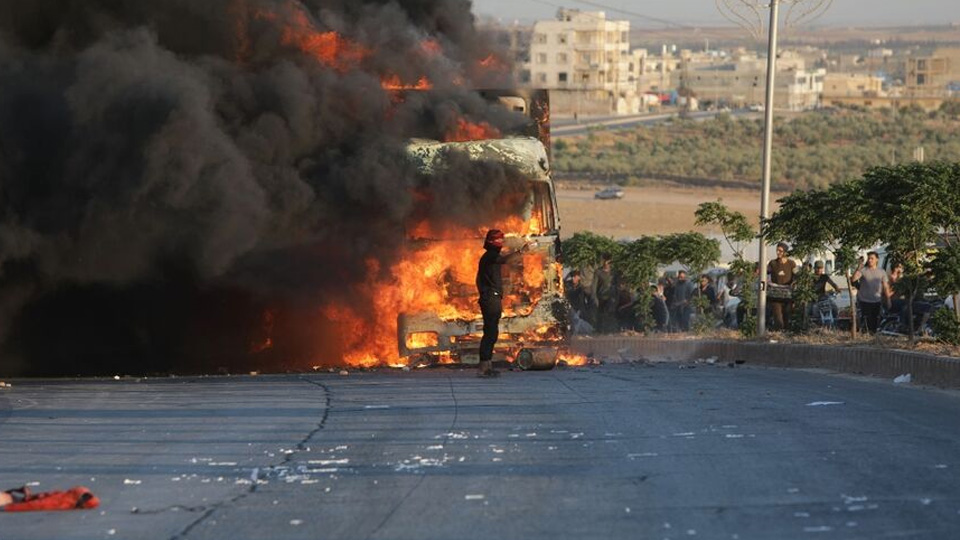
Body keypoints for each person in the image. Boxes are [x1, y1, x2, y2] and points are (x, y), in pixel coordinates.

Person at [476, 229, 528, 377]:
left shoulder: (488, 256)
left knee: (491, 332)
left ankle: (487, 366)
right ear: (495, 242)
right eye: (500, 240)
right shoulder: (490, 256)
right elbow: (505, 260)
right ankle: (483, 368)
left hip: (492, 298)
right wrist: (521, 252)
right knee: (490, 333)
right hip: (491, 299)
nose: (502, 243)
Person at [852, 251, 891, 334]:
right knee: (866, 321)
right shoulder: (863, 270)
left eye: (872, 258)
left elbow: (885, 286)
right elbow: (853, 279)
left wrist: (888, 300)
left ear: (877, 259)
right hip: (864, 301)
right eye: (869, 258)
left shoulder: (881, 272)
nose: (870, 260)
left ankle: (873, 337)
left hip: (876, 301)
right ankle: (864, 335)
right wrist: (859, 266)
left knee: (875, 322)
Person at [766, 242, 797, 331]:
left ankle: (786, 339)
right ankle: (778, 335)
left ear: (785, 252)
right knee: (778, 320)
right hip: (775, 296)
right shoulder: (772, 263)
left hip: (787, 296)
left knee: (787, 318)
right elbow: (765, 274)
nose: (778, 252)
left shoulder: (791, 263)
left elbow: (797, 275)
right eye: (777, 250)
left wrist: (794, 283)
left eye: (780, 251)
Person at [593, 253, 618, 333]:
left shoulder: (614, 272)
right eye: (605, 262)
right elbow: (594, 286)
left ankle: (610, 330)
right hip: (601, 296)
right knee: (600, 314)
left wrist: (617, 296)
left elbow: (616, 285)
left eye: (608, 262)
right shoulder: (598, 272)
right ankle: (599, 331)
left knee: (610, 313)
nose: (606, 264)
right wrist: (595, 298)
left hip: (612, 296)